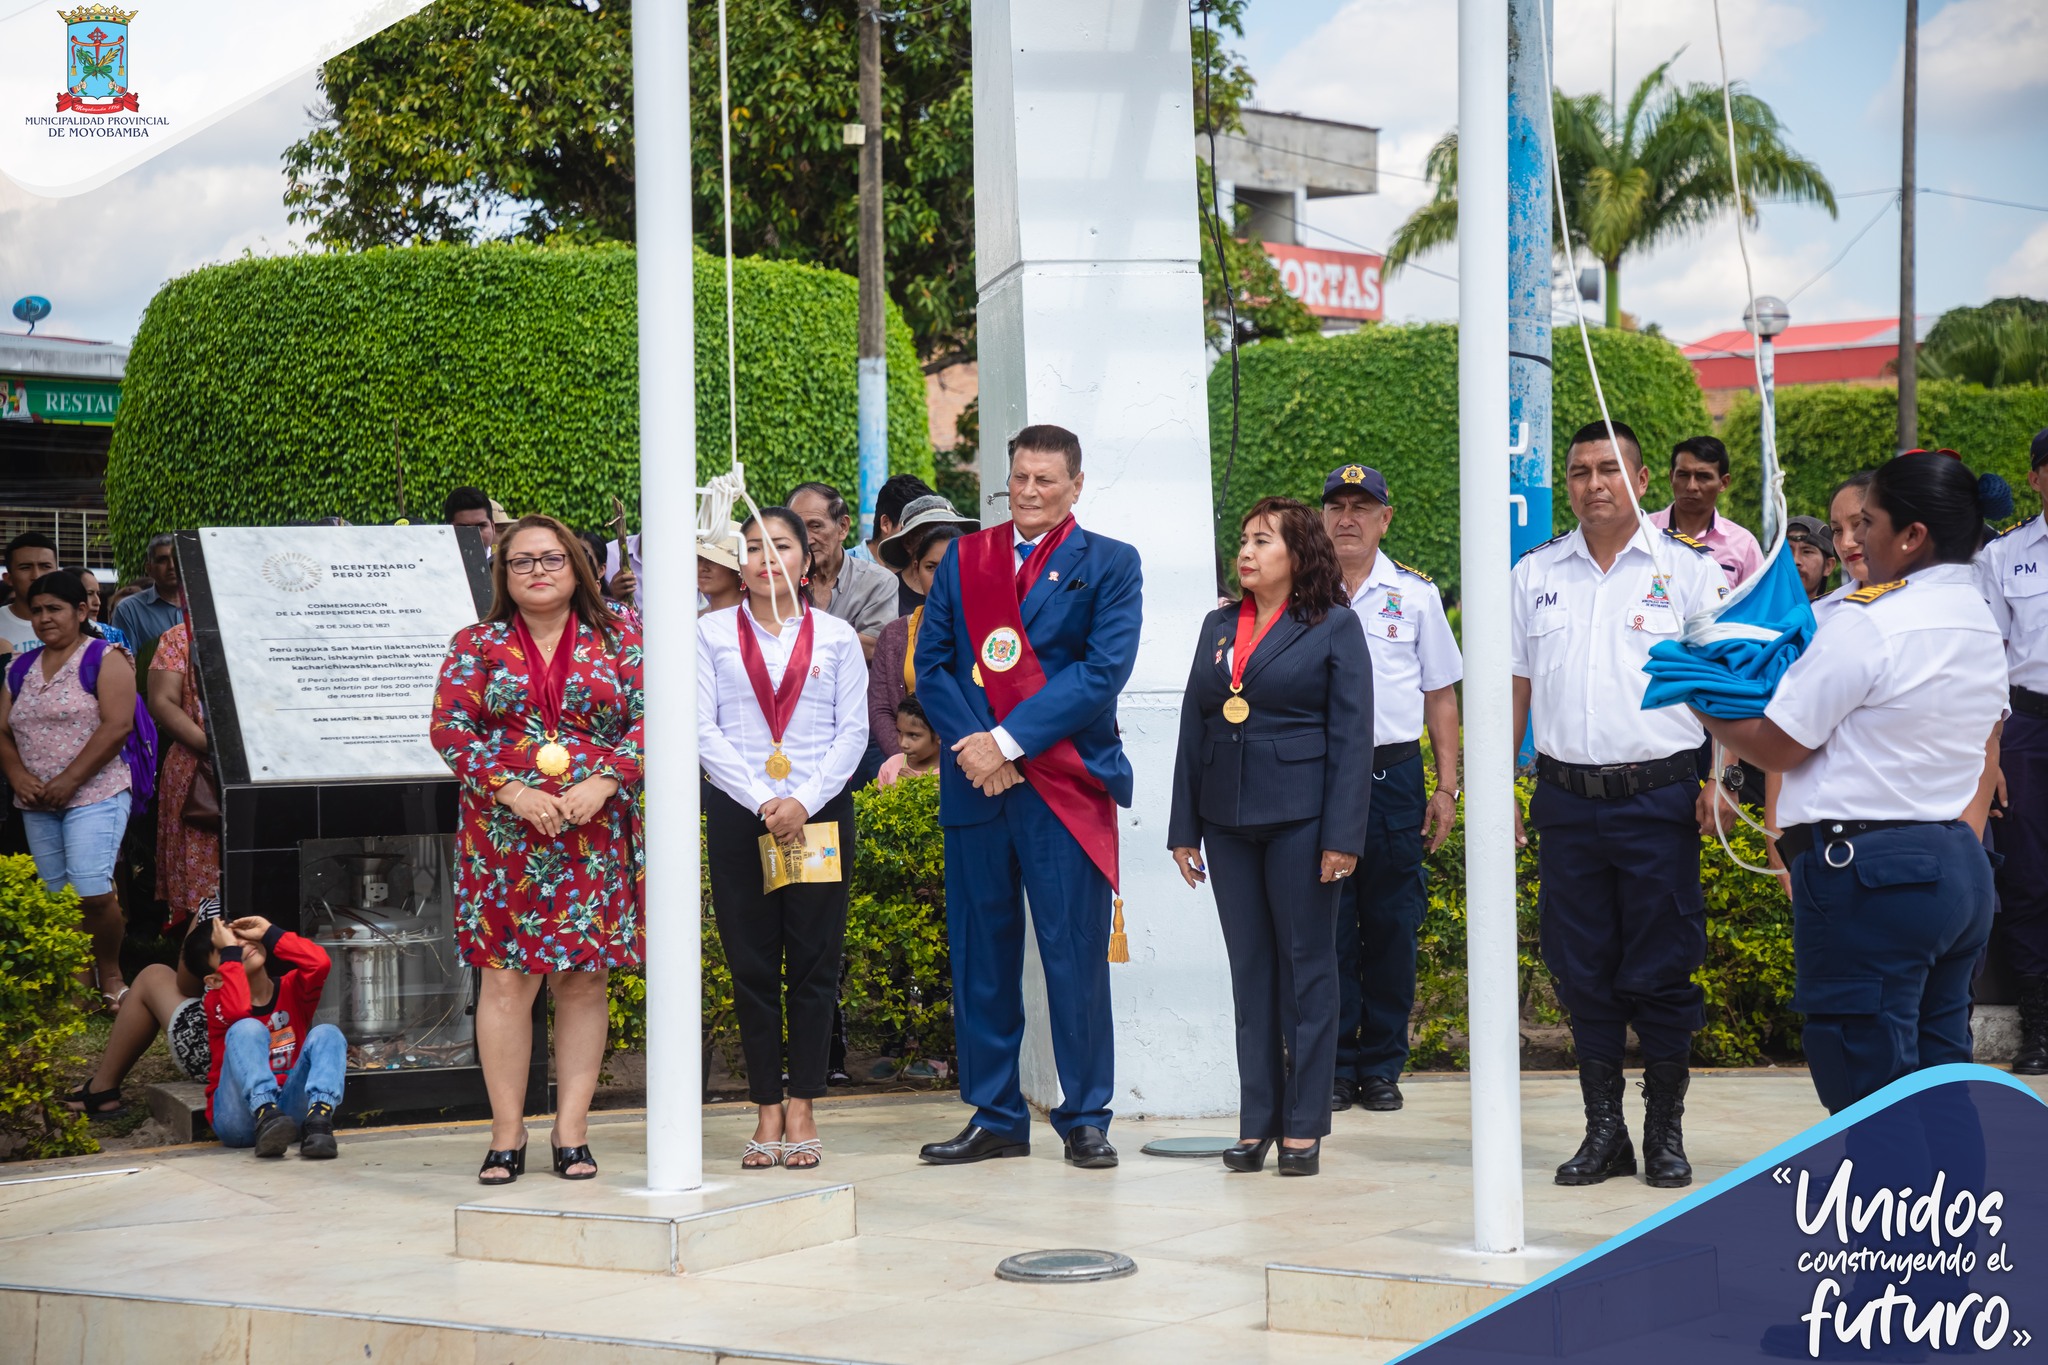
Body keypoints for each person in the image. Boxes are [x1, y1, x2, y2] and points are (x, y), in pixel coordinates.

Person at [1698, 452, 2007, 1113]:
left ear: (1912, 535)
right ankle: (1952, 1216)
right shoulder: (1977, 614)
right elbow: (1987, 748)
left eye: (1867, 522)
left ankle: (1885, 1216)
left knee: (1867, 1080)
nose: (1852, 540)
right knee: (1940, 1073)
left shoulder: (1867, 621)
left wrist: (1695, 691)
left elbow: (1780, 741)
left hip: (1870, 878)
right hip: (1955, 862)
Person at [914, 423, 1142, 1171]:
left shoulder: (1110, 562)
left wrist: (1006, 742)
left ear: (1076, 485)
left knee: (1073, 953)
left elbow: (1100, 673)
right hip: (977, 783)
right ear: (1004, 481)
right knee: (982, 952)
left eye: (1047, 479)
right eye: (1020, 478)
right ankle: (996, 1112)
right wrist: (978, 750)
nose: (1031, 491)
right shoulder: (967, 560)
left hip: (1060, 781)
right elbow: (934, 663)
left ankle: (1084, 1114)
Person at [1511, 420, 1730, 1190]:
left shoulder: (1689, 573)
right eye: (1578, 471)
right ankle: (1604, 1132)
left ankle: (1662, 1130)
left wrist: (1719, 778)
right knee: (1582, 970)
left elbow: (1725, 682)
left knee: (1665, 968)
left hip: (1658, 797)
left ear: (1641, 481)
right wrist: (1508, 786)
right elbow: (1517, 683)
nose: (1592, 483)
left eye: (1608, 469)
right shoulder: (1535, 572)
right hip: (1566, 801)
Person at [431, 514, 645, 1184]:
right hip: (504, 835)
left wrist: (608, 778)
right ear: (503, 573)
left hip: (595, 827)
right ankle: (506, 1131)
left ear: (577, 564)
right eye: (521, 561)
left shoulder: (622, 632)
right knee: (506, 979)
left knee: (582, 978)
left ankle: (572, 1129)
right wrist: (510, 788)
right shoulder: (477, 642)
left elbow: (656, 711)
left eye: (551, 558)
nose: (538, 571)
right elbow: (450, 725)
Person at [1168, 498, 1370, 1177]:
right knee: (1250, 974)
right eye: (1244, 540)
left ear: (1299, 553)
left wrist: (1342, 836)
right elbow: (1195, 724)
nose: (1246, 552)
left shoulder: (1334, 627)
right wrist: (1182, 827)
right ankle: (1258, 1119)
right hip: (1226, 820)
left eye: (1263, 541)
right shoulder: (1217, 624)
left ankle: (1303, 1124)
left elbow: (1351, 738)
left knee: (1306, 970)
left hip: (1303, 819)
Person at [697, 507, 868, 1169]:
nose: (768, 559)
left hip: (817, 813)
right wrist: (765, 798)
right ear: (737, 562)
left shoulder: (836, 636)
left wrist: (801, 800)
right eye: (752, 548)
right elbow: (703, 729)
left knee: (815, 964)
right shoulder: (708, 633)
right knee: (752, 966)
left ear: (806, 559)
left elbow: (850, 731)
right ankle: (766, 1105)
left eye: (783, 546)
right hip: (743, 812)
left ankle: (804, 1103)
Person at [1320, 464, 1463, 1114]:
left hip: (1393, 776)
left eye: (1362, 506)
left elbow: (1440, 692)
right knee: (1328, 928)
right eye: (1337, 505)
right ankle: (1336, 1064)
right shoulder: (1303, 590)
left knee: (1391, 923)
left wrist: (1447, 786)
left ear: (1386, 517)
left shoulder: (1415, 595)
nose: (1348, 517)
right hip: (1319, 779)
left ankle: (1380, 1063)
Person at [0, 570, 138, 1007]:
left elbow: (119, 725)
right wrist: (18, 776)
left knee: (92, 888)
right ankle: (77, 983)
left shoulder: (105, 656)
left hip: (96, 793)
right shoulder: (19, 667)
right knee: (57, 894)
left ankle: (112, 974)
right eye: (37, 610)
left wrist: (69, 780)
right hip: (37, 799)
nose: (44, 618)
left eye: (54, 608)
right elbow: (2, 731)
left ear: (81, 611)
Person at [1978, 428, 2048, 1074]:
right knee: (2028, 877)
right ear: (2034, 477)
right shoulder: (2006, 557)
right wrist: (1991, 752)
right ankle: (2039, 1024)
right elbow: (1988, 662)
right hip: (2028, 726)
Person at [200, 913, 344, 1157]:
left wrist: (270, 932)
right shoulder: (217, 1001)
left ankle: (318, 1122)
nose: (241, 945)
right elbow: (237, 1012)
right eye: (228, 947)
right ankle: (264, 1111)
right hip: (238, 1121)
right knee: (246, 1027)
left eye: (242, 938)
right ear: (214, 980)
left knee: (328, 1033)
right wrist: (232, 957)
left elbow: (319, 964)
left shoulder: (291, 989)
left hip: (288, 1116)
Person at [65, 902, 215, 1117]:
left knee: (153, 975)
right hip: (278, 1045)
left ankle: (102, 1090)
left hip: (218, 1054)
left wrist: (203, 909)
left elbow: (187, 985)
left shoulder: (218, 907)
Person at [871, 496, 979, 758]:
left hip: (974, 765)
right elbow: (880, 708)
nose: (943, 577)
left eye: (954, 566)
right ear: (917, 568)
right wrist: (906, 759)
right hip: (909, 771)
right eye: (932, 568)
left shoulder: (991, 631)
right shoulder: (896, 633)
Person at [149, 621, 220, 929]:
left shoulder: (269, 627)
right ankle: (198, 955)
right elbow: (162, 701)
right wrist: (211, 745)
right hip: (197, 764)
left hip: (263, 762)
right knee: (199, 874)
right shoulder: (180, 637)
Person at [789, 481, 899, 657]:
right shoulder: (779, 581)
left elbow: (874, 647)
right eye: (797, 529)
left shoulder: (878, 582)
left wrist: (793, 637)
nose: (807, 539)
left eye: (816, 526)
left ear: (843, 527)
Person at [1648, 436, 1765, 588]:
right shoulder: (1643, 531)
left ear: (1723, 483)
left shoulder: (1743, 545)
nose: (1691, 486)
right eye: (1683, 475)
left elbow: (1757, 606)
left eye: (1703, 477)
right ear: (1671, 477)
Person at [109, 533, 187, 659]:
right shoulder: (129, 610)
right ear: (149, 568)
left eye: (176, 559)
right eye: (162, 560)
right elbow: (125, 663)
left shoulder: (206, 606)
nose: (171, 566)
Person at [1, 533, 59, 659]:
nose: (37, 576)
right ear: (8, 578)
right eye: (25, 567)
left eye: (45, 566)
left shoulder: (82, 626)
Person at [879, 695, 941, 787]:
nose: (903, 743)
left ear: (939, 735)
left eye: (913, 735)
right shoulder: (890, 766)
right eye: (900, 732)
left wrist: (918, 789)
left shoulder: (953, 773)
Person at [1785, 516, 1837, 602]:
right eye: (1787, 553)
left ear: (1828, 566)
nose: (1795, 561)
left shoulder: (1841, 614)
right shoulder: (1757, 611)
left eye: (1807, 552)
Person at [697, 522, 746, 614]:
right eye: (699, 559)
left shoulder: (751, 622)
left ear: (738, 572)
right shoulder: (692, 620)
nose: (702, 568)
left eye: (713, 561)